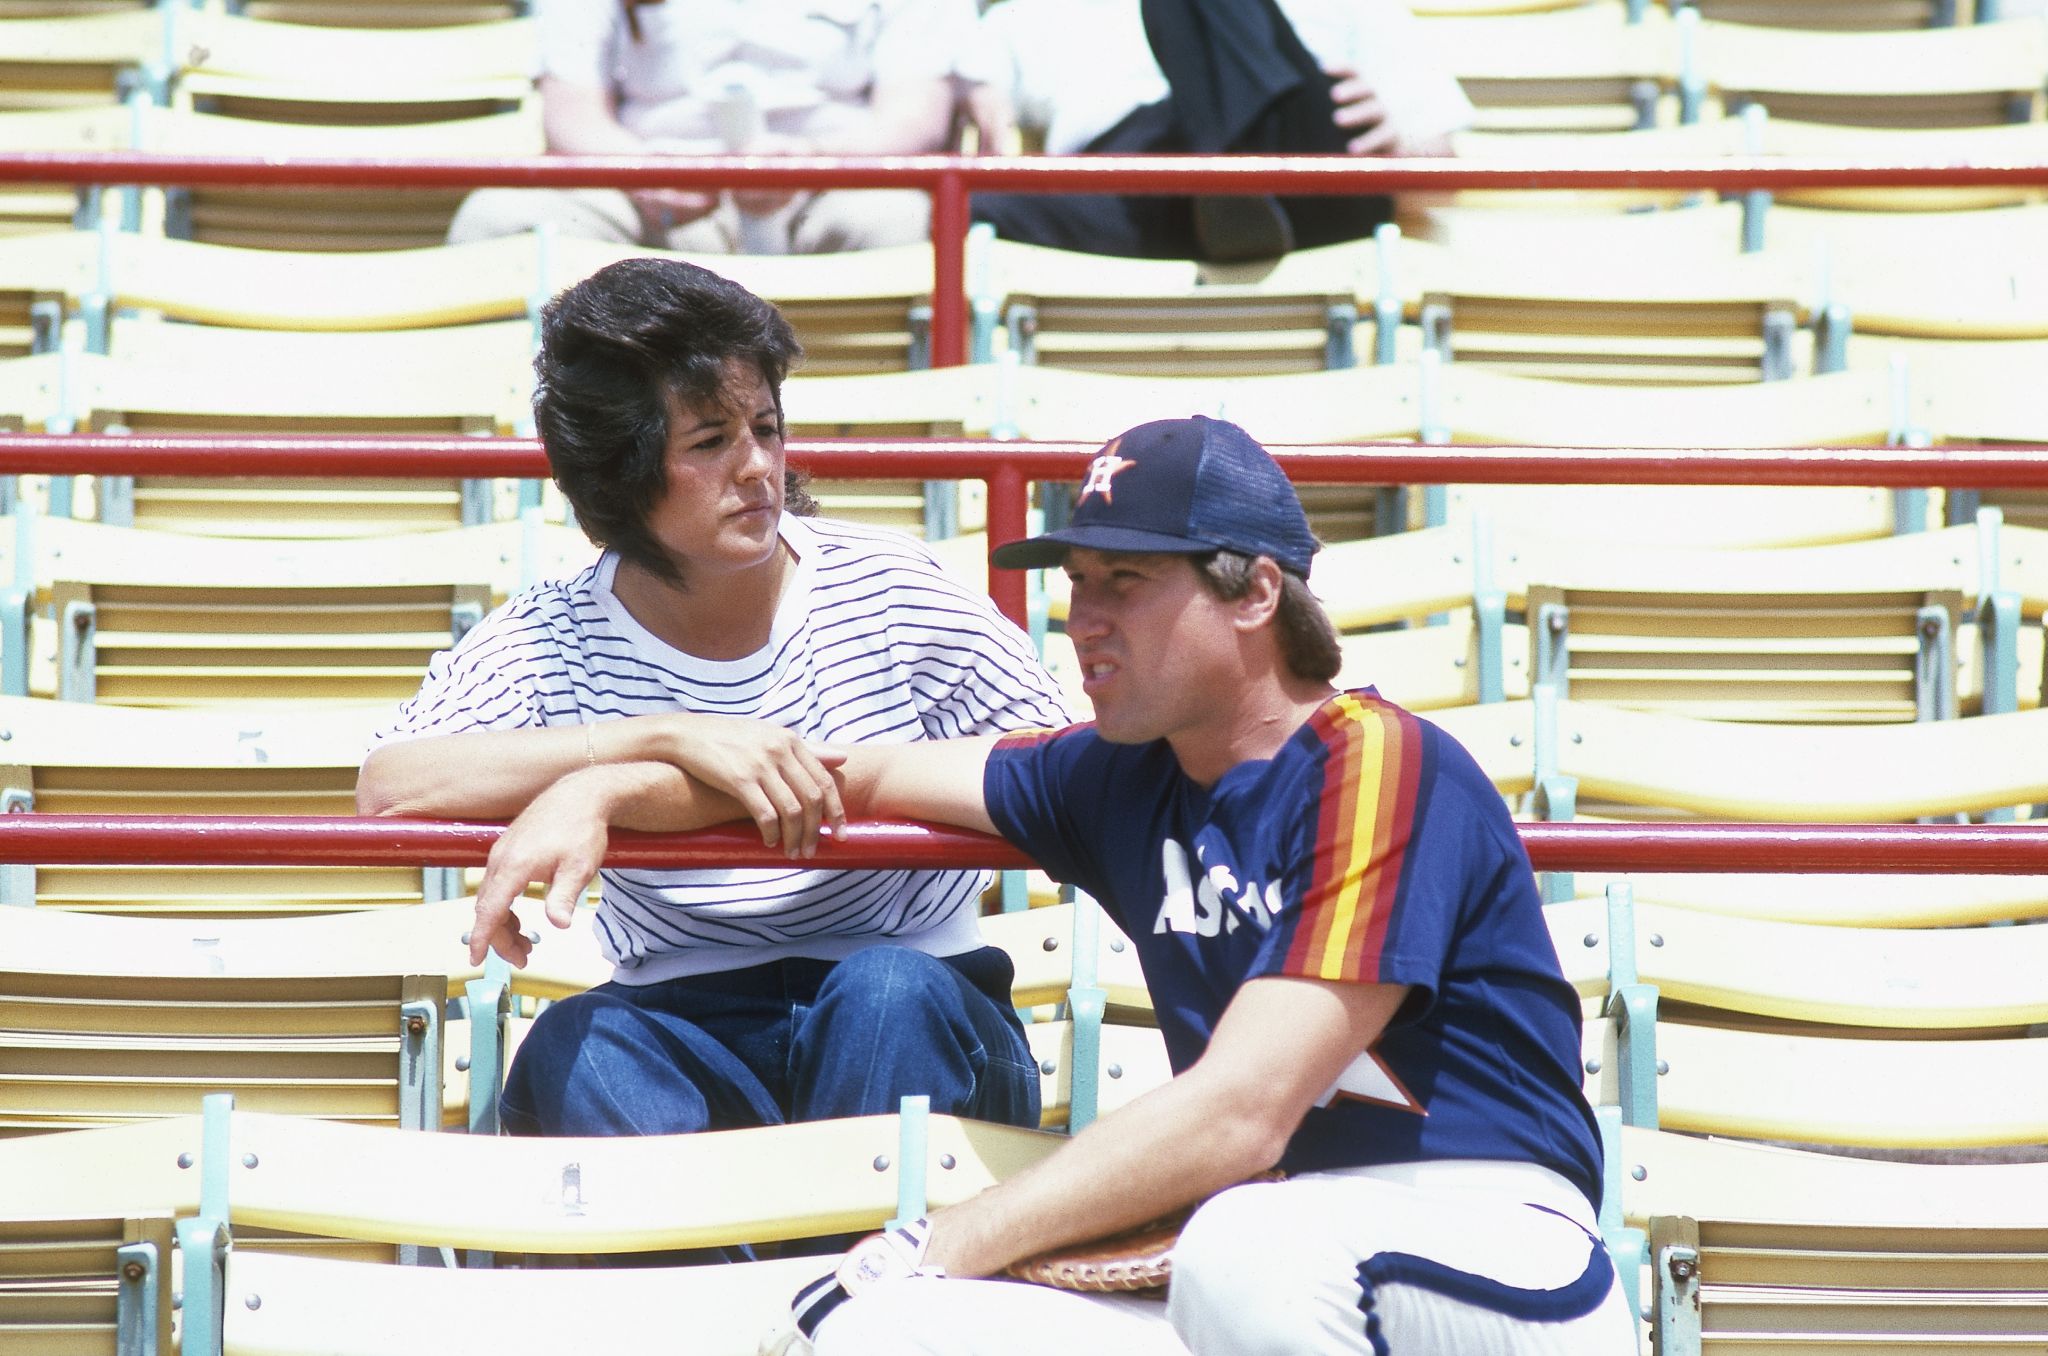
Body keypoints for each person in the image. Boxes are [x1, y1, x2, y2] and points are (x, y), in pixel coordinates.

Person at [466, 414, 1637, 1353]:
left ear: (1253, 594)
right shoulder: (1117, 775)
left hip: (1490, 1242)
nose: (1083, 623)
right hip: (1278, 1251)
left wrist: (939, 1235)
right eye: (1075, 585)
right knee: (899, 1327)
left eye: (1125, 583)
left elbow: (1241, 1111)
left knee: (1231, 1250)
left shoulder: (1376, 761)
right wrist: (610, 785)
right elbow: (836, 776)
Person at [357, 256, 1069, 1155]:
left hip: (923, 991)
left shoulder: (892, 587)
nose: (757, 467)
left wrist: (613, 794)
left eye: (766, 427)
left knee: (885, 997)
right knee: (575, 1046)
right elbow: (389, 787)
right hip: (675, 1013)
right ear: (619, 470)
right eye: (709, 443)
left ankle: (852, 1289)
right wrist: (667, 738)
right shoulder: (554, 631)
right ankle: (750, 1289)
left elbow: (1063, 758)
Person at [961, 0, 1474, 262]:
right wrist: (978, 88)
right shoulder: (1028, 15)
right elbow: (960, 77)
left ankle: (1232, 172)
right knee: (973, 207)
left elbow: (1445, 176)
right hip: (1132, 191)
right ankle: (1222, 194)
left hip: (1298, 173)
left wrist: (1394, 148)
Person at [447, 0, 972, 254]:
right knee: (499, 220)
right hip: (648, 196)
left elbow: (915, 116)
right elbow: (570, 112)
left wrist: (816, 158)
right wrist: (642, 171)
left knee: (908, 225)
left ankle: (891, 457)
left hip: (832, 188)